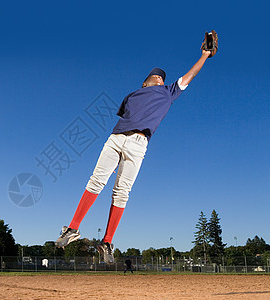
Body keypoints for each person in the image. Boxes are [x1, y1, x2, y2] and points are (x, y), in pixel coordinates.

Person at [55, 47, 214, 263]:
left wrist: (204, 55)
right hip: (117, 137)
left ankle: (107, 241)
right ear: (145, 81)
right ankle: (73, 228)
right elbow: (124, 114)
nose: (159, 77)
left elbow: (190, 75)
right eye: (155, 75)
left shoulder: (168, 91)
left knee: (122, 192)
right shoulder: (131, 95)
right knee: (96, 181)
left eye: (162, 77)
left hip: (139, 144)